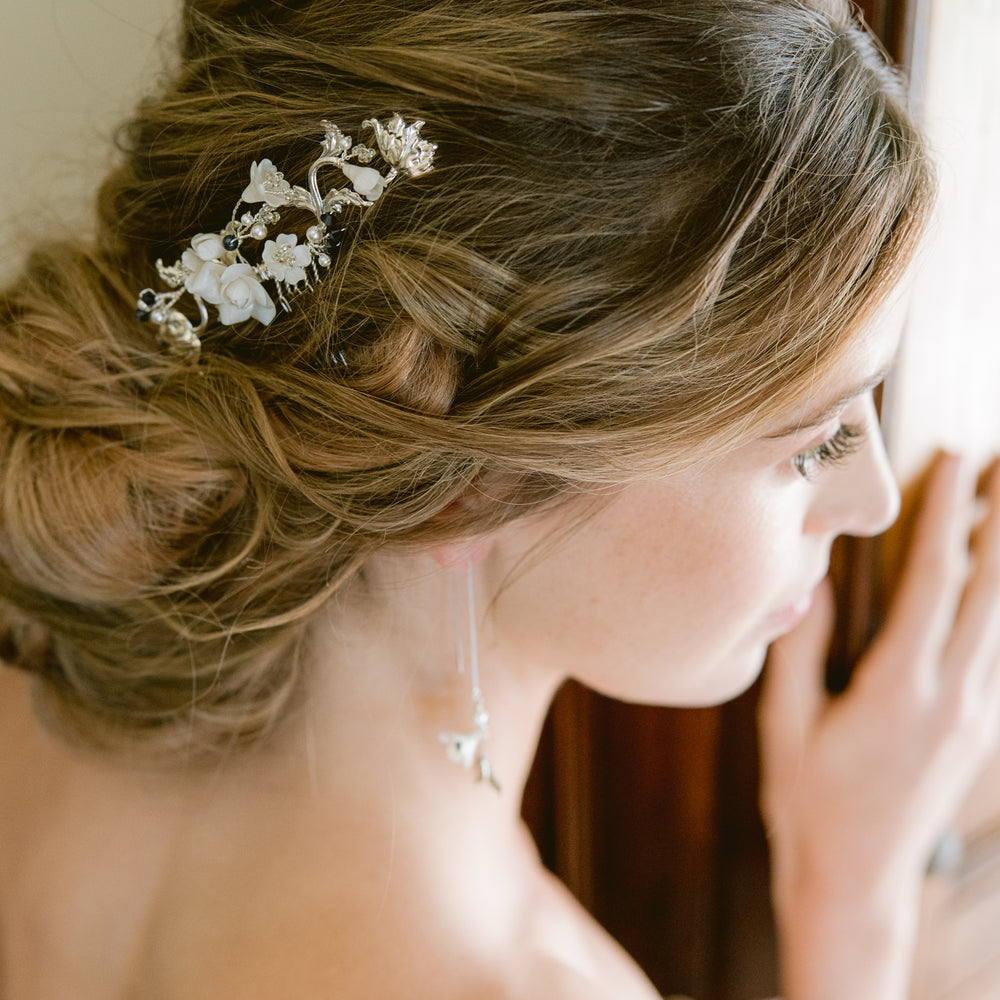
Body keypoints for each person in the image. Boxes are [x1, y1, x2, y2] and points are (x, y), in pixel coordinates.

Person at [0, 1, 997, 997]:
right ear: (473, 483)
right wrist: (854, 912)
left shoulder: (31, 662)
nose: (873, 501)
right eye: (816, 440)